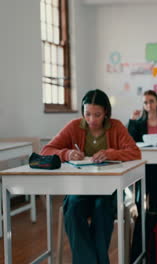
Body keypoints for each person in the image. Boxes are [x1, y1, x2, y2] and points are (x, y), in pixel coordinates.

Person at [41, 89, 141, 264]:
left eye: (97, 114)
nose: (92, 120)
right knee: (72, 209)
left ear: (106, 113)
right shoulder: (74, 126)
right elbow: (46, 150)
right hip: (80, 188)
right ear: (82, 111)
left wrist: (111, 154)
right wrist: (67, 153)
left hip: (109, 190)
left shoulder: (116, 126)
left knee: (102, 208)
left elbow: (134, 152)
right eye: (87, 114)